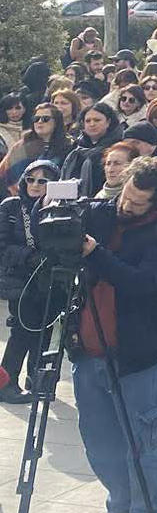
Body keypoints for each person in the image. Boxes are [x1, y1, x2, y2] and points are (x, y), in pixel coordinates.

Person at [70, 156, 157, 513]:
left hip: (136, 354)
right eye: (126, 196)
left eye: (137, 204)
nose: (126, 207)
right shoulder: (101, 213)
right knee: (99, 441)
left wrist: (97, 253)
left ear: (156, 204)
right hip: (89, 349)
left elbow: (143, 284)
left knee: (145, 445)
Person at [0, 161, 65, 403]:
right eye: (31, 179)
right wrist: (30, 256)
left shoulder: (58, 207)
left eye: (43, 181)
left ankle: (37, 383)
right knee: (21, 333)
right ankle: (6, 383)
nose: (35, 185)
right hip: (21, 281)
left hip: (50, 281)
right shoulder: (11, 206)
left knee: (45, 333)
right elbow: (3, 245)